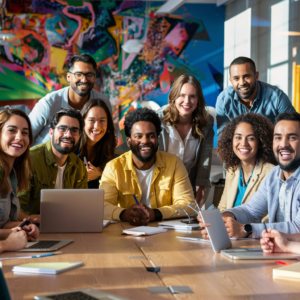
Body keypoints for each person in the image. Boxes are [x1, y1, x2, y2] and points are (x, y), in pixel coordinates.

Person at [198, 111, 300, 239]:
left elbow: (298, 226)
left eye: (292, 138)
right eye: (278, 137)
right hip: (280, 250)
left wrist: (246, 229)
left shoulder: (269, 170)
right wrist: (225, 217)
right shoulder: (275, 175)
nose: (284, 144)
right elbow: (250, 210)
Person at [100, 108, 195, 225]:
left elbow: (188, 206)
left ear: (158, 140)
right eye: (138, 136)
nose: (145, 141)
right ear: (129, 141)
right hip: (125, 233)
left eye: (151, 136)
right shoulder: (113, 167)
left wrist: (156, 213)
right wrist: (125, 214)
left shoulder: (174, 163)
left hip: (165, 236)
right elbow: (102, 206)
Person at [18, 109, 88, 223]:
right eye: (62, 129)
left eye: (74, 130)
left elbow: (82, 207)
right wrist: (36, 219)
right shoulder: (30, 159)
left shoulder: (79, 166)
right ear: (51, 132)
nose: (68, 134)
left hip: (66, 225)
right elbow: (16, 210)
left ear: (80, 135)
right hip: (31, 228)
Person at [29, 53, 112, 146]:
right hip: (41, 158)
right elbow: (25, 136)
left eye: (89, 75)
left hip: (81, 159)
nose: (84, 80)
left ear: (94, 77)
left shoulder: (102, 102)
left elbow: (109, 137)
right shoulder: (48, 103)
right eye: (78, 74)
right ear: (68, 77)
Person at [157, 74, 214, 205]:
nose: (187, 101)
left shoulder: (206, 122)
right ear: (174, 96)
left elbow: (205, 162)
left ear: (198, 99)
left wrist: (198, 204)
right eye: (181, 95)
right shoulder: (158, 120)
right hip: (159, 188)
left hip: (188, 191)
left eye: (192, 96)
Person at [216, 57, 295, 137]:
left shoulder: (277, 98)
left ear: (256, 76)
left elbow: (293, 128)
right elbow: (223, 138)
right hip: (240, 148)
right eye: (236, 78)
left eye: (246, 76)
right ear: (231, 81)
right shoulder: (223, 100)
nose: (242, 83)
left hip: (270, 146)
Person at [217, 113, 276, 213]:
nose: (243, 143)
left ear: (260, 142)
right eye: (238, 137)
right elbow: (222, 209)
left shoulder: (271, 172)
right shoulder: (231, 170)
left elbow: (268, 217)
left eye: (251, 138)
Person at [0, 108, 39, 248]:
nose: (19, 137)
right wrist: (7, 244)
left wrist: (22, 227)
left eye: (25, 133)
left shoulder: (11, 175)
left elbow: (3, 224)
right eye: (12, 130)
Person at [79, 99, 116, 188]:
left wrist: (100, 174)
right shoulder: (72, 145)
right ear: (82, 122)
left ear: (108, 124)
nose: (97, 126)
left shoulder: (109, 146)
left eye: (102, 121)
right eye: (91, 120)